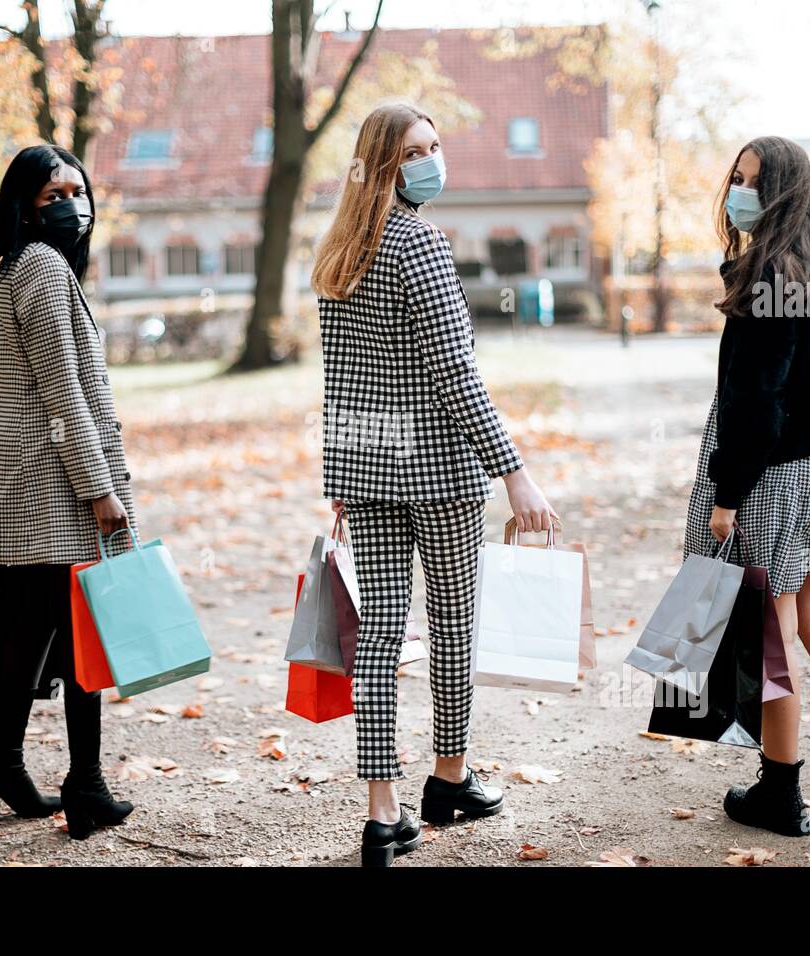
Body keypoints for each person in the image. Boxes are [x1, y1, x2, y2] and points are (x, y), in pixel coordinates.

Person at [310, 102, 558, 866]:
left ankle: (383, 814)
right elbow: (456, 372)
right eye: (416, 150)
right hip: (441, 472)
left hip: (370, 468)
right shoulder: (419, 242)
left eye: (435, 146)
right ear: (384, 163)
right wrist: (513, 472)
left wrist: (342, 480)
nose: (431, 161)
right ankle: (448, 778)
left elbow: (338, 379)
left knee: (381, 633)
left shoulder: (339, 248)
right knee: (452, 625)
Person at [683, 135, 810, 838]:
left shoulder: (769, 273)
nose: (738, 190)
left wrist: (727, 494)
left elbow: (757, 402)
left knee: (769, 637)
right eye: (735, 176)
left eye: (751, 180)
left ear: (780, 190)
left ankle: (780, 792)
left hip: (770, 474)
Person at [0, 143, 136, 840]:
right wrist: (100, 490)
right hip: (53, 489)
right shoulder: (40, 269)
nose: (72, 205)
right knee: (80, 638)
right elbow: (63, 390)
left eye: (77, 191)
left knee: (32, 637)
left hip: (32, 486)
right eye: (52, 196)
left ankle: (1, 765)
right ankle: (84, 785)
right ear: (24, 208)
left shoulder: (25, 268)